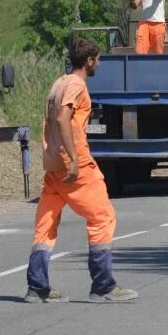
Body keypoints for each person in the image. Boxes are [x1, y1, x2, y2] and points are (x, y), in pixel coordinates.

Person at [24, 38, 138, 303]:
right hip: (74, 167)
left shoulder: (58, 83)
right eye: (97, 59)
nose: (98, 63)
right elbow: (64, 118)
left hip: (52, 166)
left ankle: (37, 287)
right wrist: (74, 160)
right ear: (89, 61)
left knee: (45, 225)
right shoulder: (76, 85)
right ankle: (103, 285)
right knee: (102, 217)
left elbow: (51, 120)